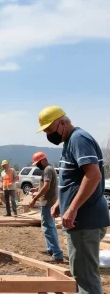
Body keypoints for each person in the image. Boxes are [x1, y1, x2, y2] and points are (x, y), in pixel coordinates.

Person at [37, 105, 110, 294]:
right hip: (81, 220)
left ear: (63, 122)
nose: (48, 135)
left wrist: (72, 208)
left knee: (85, 276)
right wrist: (61, 203)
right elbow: (74, 179)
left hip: (85, 220)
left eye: (50, 130)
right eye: (45, 132)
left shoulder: (78, 139)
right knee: (82, 273)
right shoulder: (69, 141)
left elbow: (93, 175)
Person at [29, 152, 63, 263]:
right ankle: (51, 249)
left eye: (38, 163)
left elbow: (47, 186)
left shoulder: (48, 169)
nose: (37, 165)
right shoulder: (49, 169)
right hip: (49, 202)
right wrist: (36, 189)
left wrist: (35, 198)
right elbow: (45, 185)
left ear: (43, 160)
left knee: (47, 227)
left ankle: (57, 254)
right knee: (51, 226)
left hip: (47, 202)